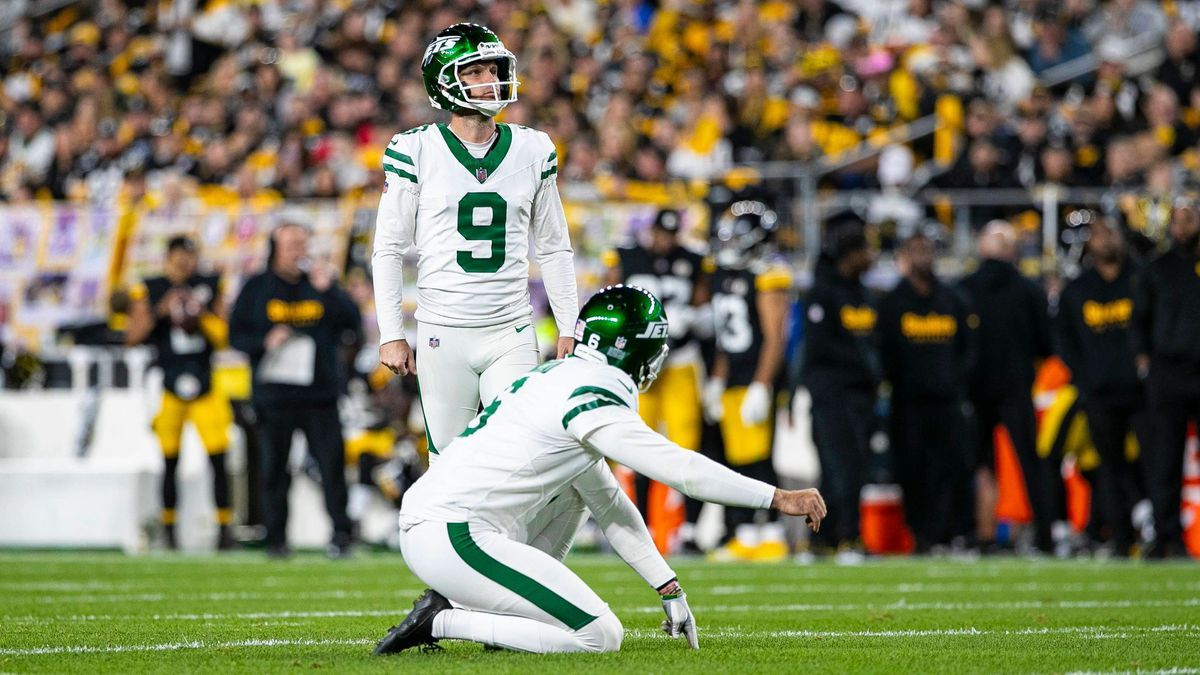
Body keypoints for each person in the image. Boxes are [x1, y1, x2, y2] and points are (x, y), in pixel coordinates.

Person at [373, 285, 826, 655]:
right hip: (455, 534)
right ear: (634, 350)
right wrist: (777, 497)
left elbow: (607, 500)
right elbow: (681, 469)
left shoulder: (558, 374)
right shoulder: (592, 393)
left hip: (444, 525)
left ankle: (501, 621)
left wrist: (668, 587)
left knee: (579, 490)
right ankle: (443, 619)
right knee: (600, 636)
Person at [372, 23, 578, 461]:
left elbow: (555, 246)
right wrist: (391, 334)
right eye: (477, 72)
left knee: (523, 453)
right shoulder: (416, 149)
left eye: (494, 69)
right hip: (442, 333)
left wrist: (568, 325)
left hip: (512, 329)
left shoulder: (533, 148)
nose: (491, 81)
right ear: (445, 81)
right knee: (449, 464)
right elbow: (388, 249)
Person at [228, 222, 361, 559]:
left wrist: (330, 290)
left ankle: (341, 535)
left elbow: (353, 324)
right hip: (275, 395)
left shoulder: (321, 284)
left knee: (331, 467)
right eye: (291, 245)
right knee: (273, 469)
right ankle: (276, 539)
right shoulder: (257, 287)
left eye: (303, 243)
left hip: (319, 395)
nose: (298, 251)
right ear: (275, 248)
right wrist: (264, 341)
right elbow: (235, 336)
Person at [603, 209, 711, 553]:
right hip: (638, 366)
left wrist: (694, 316)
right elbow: (608, 298)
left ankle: (690, 529)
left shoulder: (692, 260)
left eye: (670, 236)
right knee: (637, 447)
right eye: (659, 235)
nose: (664, 242)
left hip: (680, 361)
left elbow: (705, 302)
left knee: (686, 446)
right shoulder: (627, 255)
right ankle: (643, 526)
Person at [126, 235, 234, 550]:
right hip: (169, 382)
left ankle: (224, 529)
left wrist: (200, 315)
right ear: (168, 257)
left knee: (218, 456)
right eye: (179, 256)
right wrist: (160, 311)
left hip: (204, 381)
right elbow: (132, 337)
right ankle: (169, 529)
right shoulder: (151, 288)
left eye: (190, 255)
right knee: (169, 458)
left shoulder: (209, 284)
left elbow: (226, 336)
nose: (185, 262)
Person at [959, 221, 1057, 554]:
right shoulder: (1028, 289)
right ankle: (1044, 535)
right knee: (1031, 461)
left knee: (982, 465)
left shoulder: (964, 288)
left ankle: (982, 535)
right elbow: (1046, 344)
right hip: (1016, 386)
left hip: (975, 389)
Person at [704, 201, 793, 561]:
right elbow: (728, 337)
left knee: (759, 459)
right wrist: (717, 378)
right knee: (735, 459)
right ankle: (743, 533)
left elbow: (775, 337)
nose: (730, 242)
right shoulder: (727, 273)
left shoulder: (769, 275)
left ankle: (770, 532)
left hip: (757, 377)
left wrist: (761, 384)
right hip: (733, 377)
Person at [1055, 211, 1147, 556]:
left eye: (1112, 234)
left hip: (1141, 390)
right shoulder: (1077, 289)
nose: (1107, 240)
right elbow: (1064, 341)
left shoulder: (1139, 279)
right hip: (1099, 391)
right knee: (1108, 466)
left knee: (1153, 462)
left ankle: (1163, 534)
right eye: (1100, 235)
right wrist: (1084, 378)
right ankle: (1121, 537)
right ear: (1089, 245)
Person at [877, 231, 976, 553]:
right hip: (909, 403)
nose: (923, 256)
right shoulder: (893, 302)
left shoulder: (953, 299)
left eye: (927, 250)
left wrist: (955, 381)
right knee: (912, 469)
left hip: (948, 401)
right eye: (915, 250)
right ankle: (921, 534)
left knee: (952, 468)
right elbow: (884, 352)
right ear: (905, 256)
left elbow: (969, 348)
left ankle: (950, 532)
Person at [801, 220, 879, 562]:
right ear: (850, 254)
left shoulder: (860, 292)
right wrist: (865, 365)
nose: (871, 256)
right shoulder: (822, 292)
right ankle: (843, 536)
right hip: (832, 393)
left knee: (852, 466)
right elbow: (818, 348)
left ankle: (829, 538)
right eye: (865, 249)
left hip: (859, 394)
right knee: (839, 467)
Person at [1132, 201, 1200, 559]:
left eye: (1189, 218)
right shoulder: (1156, 268)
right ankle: (1166, 537)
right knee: (1165, 459)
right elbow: (1138, 321)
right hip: (1168, 372)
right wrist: (1145, 362)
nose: (1183, 226)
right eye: (1178, 219)